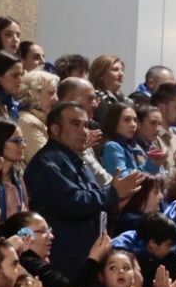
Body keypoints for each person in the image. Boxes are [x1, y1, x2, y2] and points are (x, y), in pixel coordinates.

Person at [25, 102, 146, 276]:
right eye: (75, 124)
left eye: (86, 125)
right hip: (64, 261)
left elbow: (94, 201)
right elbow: (71, 202)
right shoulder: (48, 163)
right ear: (55, 129)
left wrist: (116, 203)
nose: (84, 131)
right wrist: (112, 193)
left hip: (87, 260)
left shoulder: (76, 161)